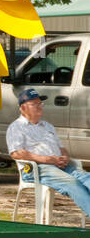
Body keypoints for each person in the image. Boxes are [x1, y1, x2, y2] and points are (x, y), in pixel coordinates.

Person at [6, 87, 90, 218]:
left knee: (87, 179)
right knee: (73, 183)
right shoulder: (16, 127)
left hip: (59, 166)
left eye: (40, 103)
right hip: (36, 168)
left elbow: (62, 148)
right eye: (34, 104)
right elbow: (16, 153)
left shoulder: (47, 126)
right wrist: (47, 160)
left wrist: (65, 158)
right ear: (23, 108)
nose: (39, 106)